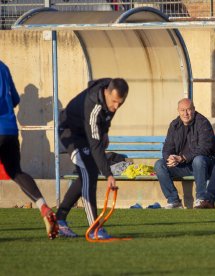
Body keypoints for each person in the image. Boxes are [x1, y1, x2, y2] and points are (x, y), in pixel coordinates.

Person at [56, 78, 129, 238]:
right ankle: (95, 228)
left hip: (86, 134)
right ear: (107, 93)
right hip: (70, 132)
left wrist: (105, 134)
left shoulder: (111, 97)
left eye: (120, 103)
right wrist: (108, 174)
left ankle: (59, 220)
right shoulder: (93, 105)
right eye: (114, 101)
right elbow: (95, 145)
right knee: (90, 173)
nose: (116, 106)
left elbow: (104, 124)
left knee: (85, 176)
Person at [0, 60, 58, 239]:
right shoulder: (3, 67)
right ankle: (42, 206)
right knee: (16, 172)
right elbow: (15, 99)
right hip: (10, 130)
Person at [154, 98, 215, 209]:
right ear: (178, 111)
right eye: (182, 110)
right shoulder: (174, 125)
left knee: (198, 160)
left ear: (194, 110)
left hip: (204, 166)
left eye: (189, 110)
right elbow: (167, 148)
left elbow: (205, 148)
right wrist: (170, 158)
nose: (185, 113)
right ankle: (174, 201)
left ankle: (201, 199)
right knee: (159, 164)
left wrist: (183, 157)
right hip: (183, 165)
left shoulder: (203, 123)